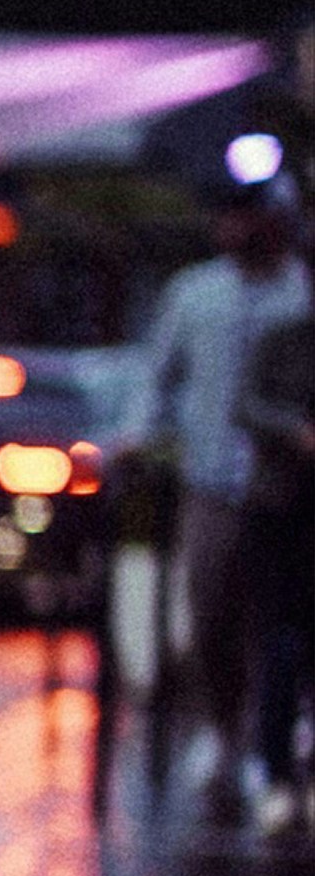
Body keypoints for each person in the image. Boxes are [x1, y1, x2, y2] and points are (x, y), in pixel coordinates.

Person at [145, 174, 311, 820]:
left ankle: (278, 745)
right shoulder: (194, 293)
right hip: (211, 482)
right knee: (210, 611)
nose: (235, 227)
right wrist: (140, 437)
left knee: (281, 624)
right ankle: (223, 731)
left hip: (288, 495)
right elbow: (157, 378)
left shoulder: (300, 293)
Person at [236, 273, 315, 835]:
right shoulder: (284, 339)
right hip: (285, 507)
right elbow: (245, 405)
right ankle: (277, 774)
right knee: (281, 642)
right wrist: (294, 433)